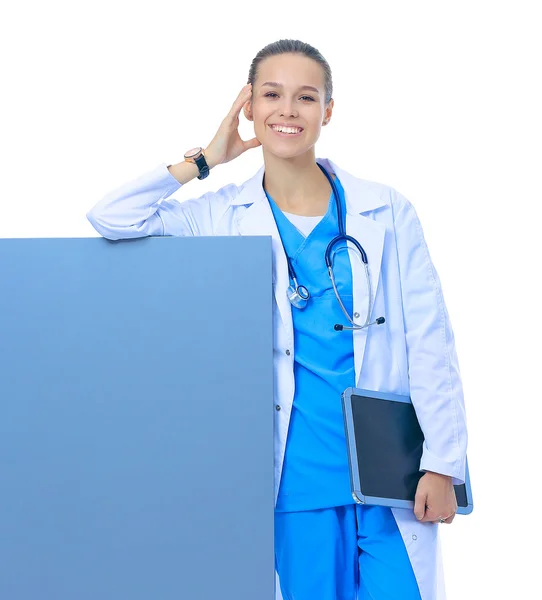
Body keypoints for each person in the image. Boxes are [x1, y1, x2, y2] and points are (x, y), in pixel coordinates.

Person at [87, 39, 468, 600]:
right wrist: (205, 160)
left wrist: (445, 463)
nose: (288, 110)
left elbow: (431, 340)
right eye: (272, 94)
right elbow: (111, 219)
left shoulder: (385, 210)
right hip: (297, 482)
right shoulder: (221, 214)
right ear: (249, 107)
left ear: (328, 112)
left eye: (306, 97)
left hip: (395, 476)